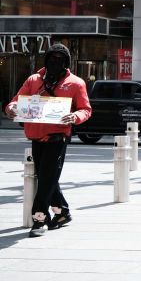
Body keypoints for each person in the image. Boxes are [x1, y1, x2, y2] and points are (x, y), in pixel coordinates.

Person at [4, 43, 91, 237]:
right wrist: (11, 109)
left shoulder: (76, 83)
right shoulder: (33, 80)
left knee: (46, 179)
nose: (55, 62)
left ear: (66, 62)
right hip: (35, 135)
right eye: (52, 58)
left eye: (60, 59)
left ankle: (40, 218)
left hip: (58, 137)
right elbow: (16, 101)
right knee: (46, 177)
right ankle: (62, 211)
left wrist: (75, 117)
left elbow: (86, 108)